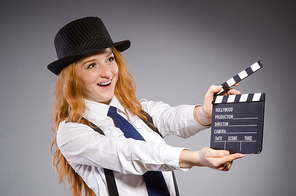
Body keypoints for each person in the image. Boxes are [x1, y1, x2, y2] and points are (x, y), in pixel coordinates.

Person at [48, 16, 244, 196]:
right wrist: (195, 157)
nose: (107, 73)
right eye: (92, 65)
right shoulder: (71, 132)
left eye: (110, 59)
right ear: (72, 78)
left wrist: (206, 113)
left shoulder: (139, 109)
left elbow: (172, 117)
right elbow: (130, 153)